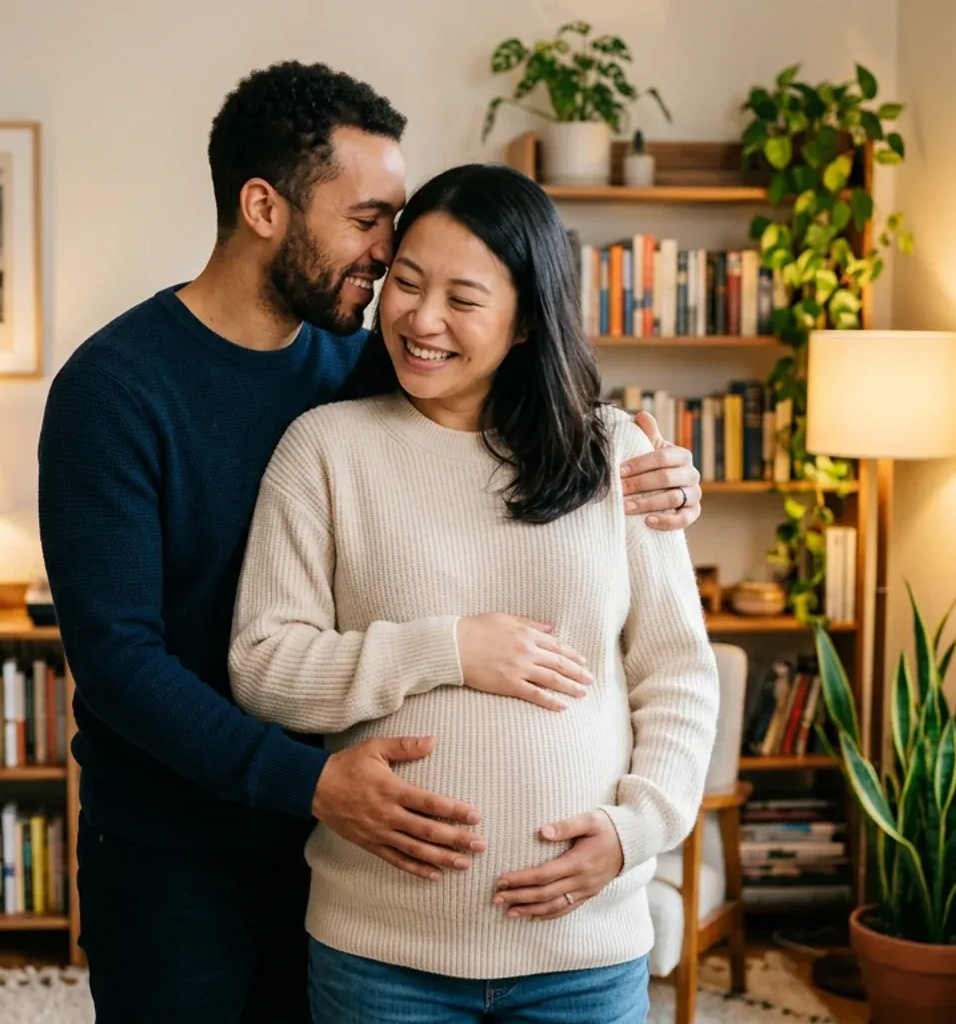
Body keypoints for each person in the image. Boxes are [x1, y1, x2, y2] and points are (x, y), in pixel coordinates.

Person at [37, 63, 705, 1023]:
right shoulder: (114, 390)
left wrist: (655, 469)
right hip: (182, 851)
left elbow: (498, 403)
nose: (390, 257)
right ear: (263, 207)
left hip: (348, 854)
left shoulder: (363, 359)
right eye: (367, 220)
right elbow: (117, 663)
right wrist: (313, 782)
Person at [227, 162, 721, 1024]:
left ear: (525, 319)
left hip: (584, 951)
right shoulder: (325, 450)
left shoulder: (615, 453)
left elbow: (678, 674)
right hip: (381, 951)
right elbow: (263, 667)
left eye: (463, 299)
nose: (422, 320)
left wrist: (635, 831)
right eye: (407, 283)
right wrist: (447, 648)